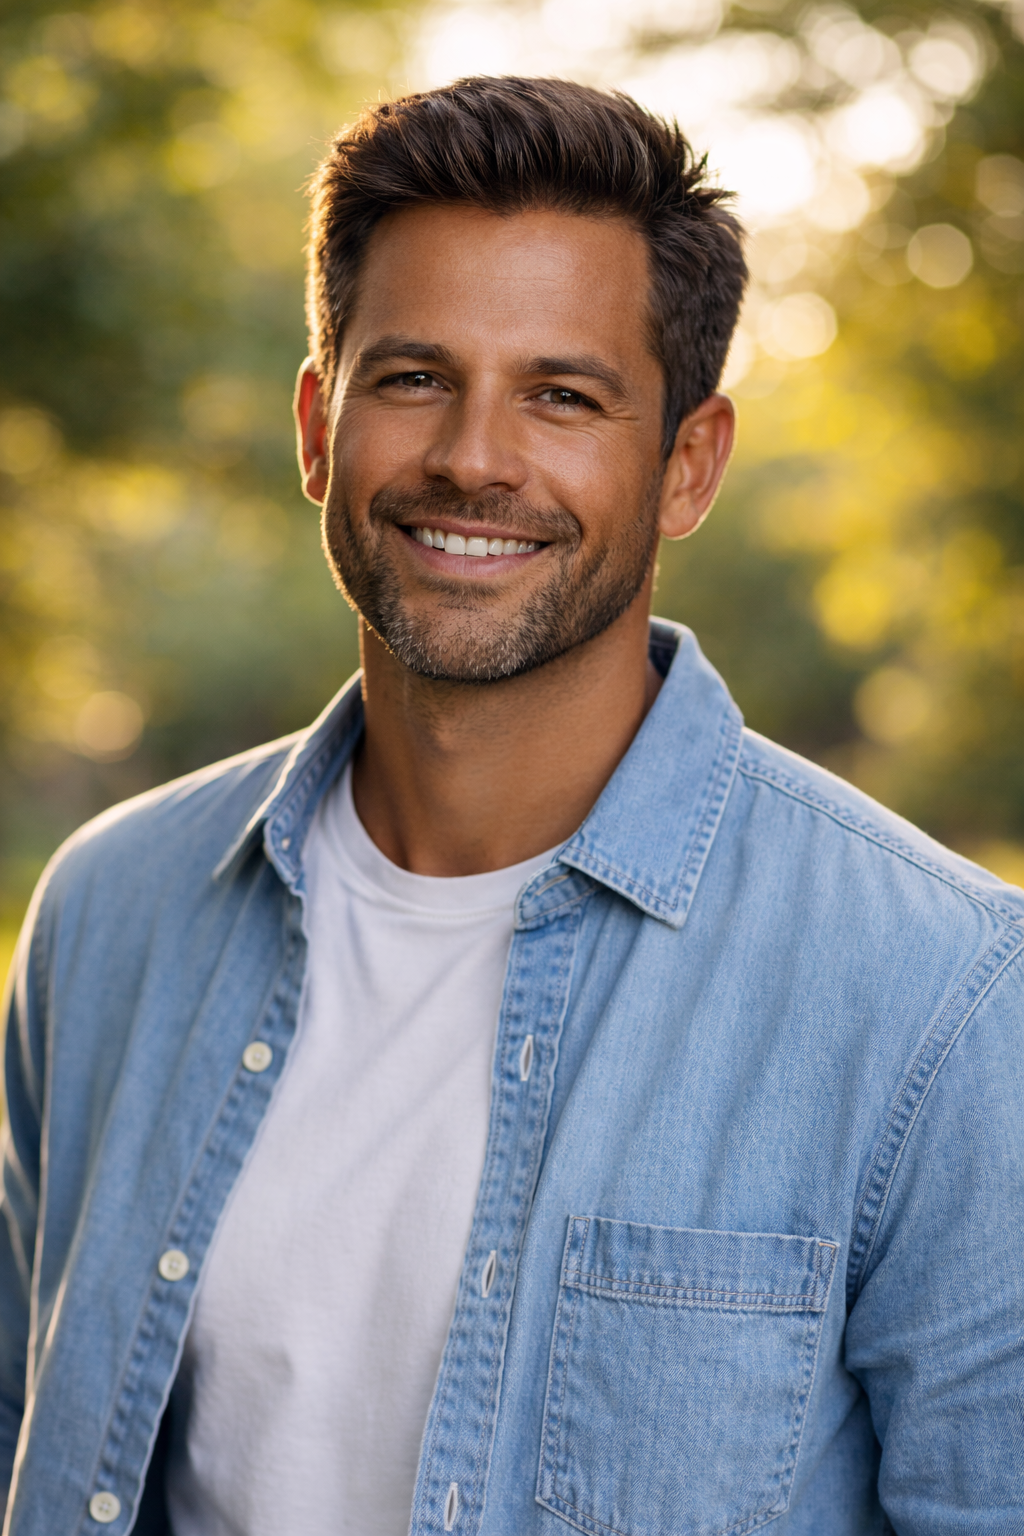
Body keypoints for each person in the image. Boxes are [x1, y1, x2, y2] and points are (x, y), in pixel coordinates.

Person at [2, 75, 1022, 1536]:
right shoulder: (111, 914)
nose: (475, 457)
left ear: (686, 464)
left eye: (564, 395)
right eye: (414, 377)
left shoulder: (944, 996)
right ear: (316, 425)